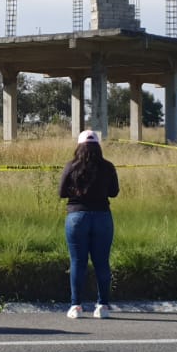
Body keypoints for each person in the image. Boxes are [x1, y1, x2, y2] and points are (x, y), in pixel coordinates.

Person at [58, 129, 119, 319]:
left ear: (79, 145)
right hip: (102, 217)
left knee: (78, 262)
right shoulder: (108, 167)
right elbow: (114, 192)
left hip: (76, 217)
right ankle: (102, 306)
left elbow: (61, 192)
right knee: (102, 263)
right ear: (98, 146)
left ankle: (76, 306)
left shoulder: (71, 166)